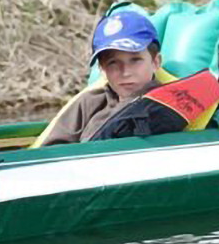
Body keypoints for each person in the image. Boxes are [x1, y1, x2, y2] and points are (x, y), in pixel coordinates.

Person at [36, 10, 163, 146]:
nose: (125, 72)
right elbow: (52, 149)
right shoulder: (89, 102)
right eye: (113, 63)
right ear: (102, 69)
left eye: (135, 60)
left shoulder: (168, 106)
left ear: (156, 62)